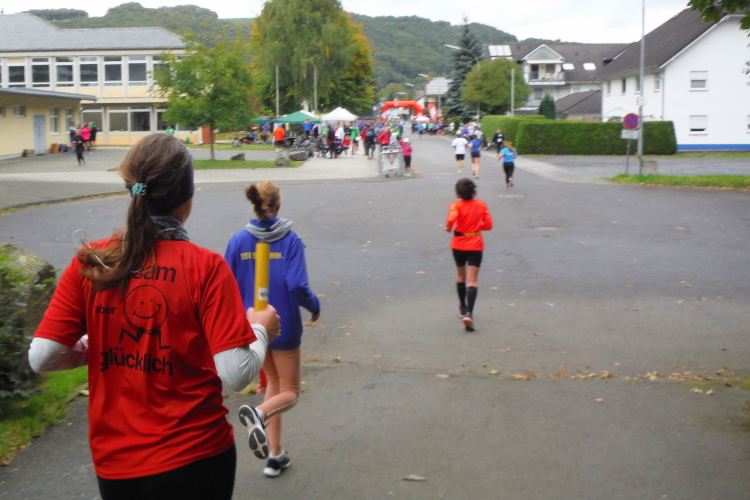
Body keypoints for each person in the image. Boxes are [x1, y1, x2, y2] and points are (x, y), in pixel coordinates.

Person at [28, 132, 281, 499]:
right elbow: (236, 372)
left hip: (116, 463)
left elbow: (43, 357)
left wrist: (96, 346)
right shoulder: (205, 268)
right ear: (187, 198)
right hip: (197, 457)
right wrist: (261, 330)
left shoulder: (92, 261)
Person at [225, 181, 321, 478]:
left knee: (273, 384)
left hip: (252, 325)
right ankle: (258, 414)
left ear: (253, 206)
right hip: (284, 324)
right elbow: (297, 283)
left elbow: (226, 284)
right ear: (278, 205)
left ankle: (275, 454)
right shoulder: (290, 240)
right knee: (290, 391)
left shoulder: (238, 241)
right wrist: (314, 305)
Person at [444, 178, 493, 332]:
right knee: (472, 280)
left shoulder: (456, 205)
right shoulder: (481, 205)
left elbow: (451, 219)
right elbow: (489, 225)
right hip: (475, 244)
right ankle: (469, 314)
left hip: (458, 244)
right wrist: (477, 227)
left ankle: (462, 307)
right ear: (473, 190)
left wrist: (448, 227)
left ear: (458, 192)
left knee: (461, 276)